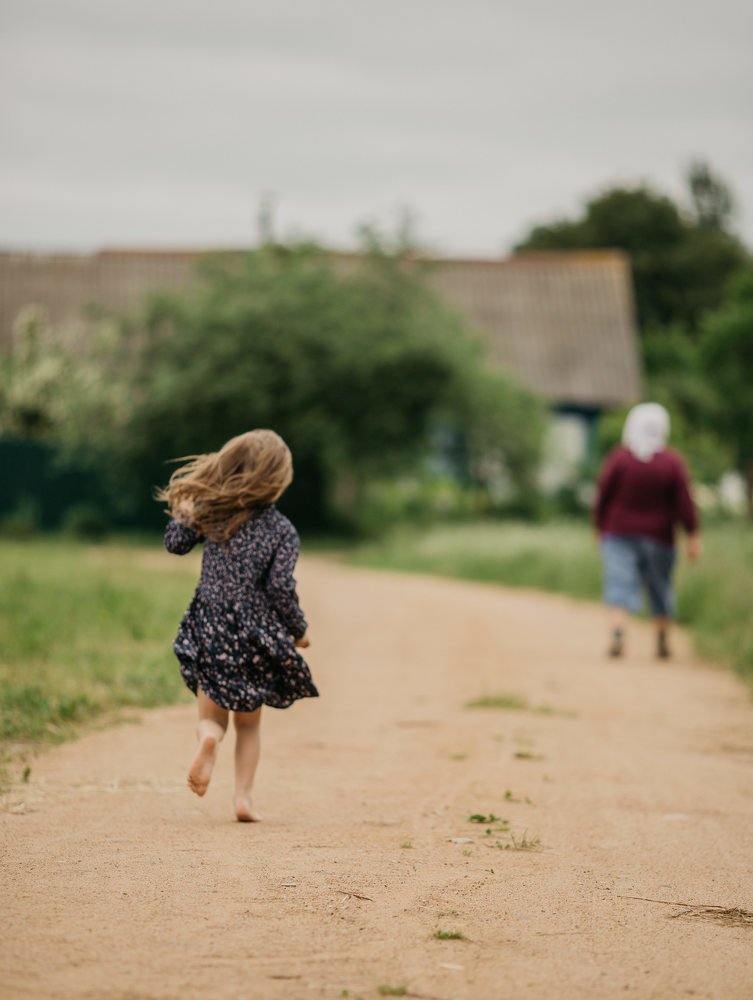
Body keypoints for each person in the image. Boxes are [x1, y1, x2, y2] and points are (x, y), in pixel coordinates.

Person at [156, 429, 318, 822]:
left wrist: (191, 504)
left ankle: (209, 739)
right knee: (250, 725)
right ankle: (243, 799)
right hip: (254, 634)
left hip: (210, 625)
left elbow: (175, 543)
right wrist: (297, 629)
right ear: (277, 481)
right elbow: (281, 588)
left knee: (211, 716)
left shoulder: (212, 512)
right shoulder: (282, 531)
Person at [593, 403, 701, 660]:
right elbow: (684, 502)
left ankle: (618, 632)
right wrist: (693, 534)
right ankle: (662, 636)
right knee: (660, 586)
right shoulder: (672, 462)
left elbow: (602, 496)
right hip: (660, 537)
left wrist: (599, 527)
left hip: (618, 533)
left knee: (619, 582)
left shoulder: (620, 458)